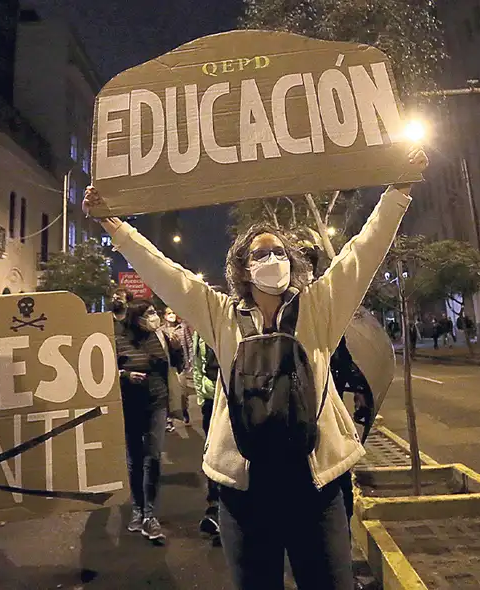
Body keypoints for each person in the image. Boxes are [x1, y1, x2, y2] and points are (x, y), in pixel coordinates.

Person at [84, 146, 428, 589]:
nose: (273, 261)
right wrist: (114, 225)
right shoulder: (220, 314)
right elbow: (164, 272)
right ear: (243, 269)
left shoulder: (321, 305)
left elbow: (366, 248)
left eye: (279, 253)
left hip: (317, 487)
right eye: (261, 255)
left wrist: (400, 188)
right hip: (244, 491)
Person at [116, 298, 181, 543]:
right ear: (136, 317)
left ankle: (149, 514)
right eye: (149, 312)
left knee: (152, 457)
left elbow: (178, 365)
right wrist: (126, 375)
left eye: (155, 311)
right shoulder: (119, 339)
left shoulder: (161, 337)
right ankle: (137, 509)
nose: (154, 316)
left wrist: (175, 348)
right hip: (130, 405)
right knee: (134, 459)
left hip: (157, 403)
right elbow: (107, 370)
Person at [191, 327, 220, 540]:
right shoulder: (200, 332)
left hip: (232, 398)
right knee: (212, 453)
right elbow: (198, 366)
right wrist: (202, 398)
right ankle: (215, 508)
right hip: (210, 401)